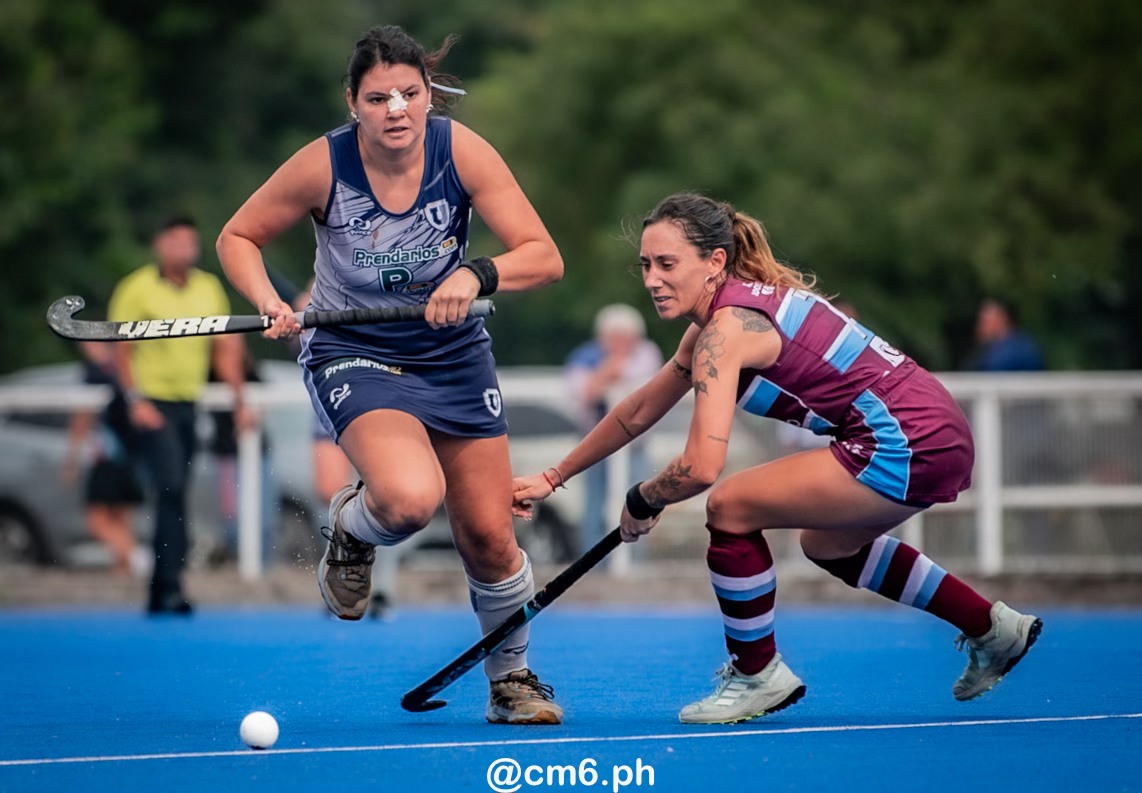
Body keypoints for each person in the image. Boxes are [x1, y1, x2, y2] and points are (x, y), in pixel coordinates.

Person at [513, 193, 1042, 724]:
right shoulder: (721, 319)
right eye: (646, 265)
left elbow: (700, 467)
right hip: (934, 429)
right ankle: (991, 628)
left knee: (730, 506)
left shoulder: (729, 328)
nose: (652, 279)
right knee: (829, 544)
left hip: (907, 438)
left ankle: (756, 672)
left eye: (668, 264)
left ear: (715, 261)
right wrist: (555, 476)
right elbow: (639, 409)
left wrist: (642, 498)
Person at [215, 26, 565, 724]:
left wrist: (476, 271)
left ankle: (512, 680)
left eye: (410, 93)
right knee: (408, 500)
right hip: (355, 348)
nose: (396, 109)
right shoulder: (324, 166)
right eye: (379, 98)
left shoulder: (460, 151)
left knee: (490, 535)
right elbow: (237, 236)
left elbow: (544, 256)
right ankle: (353, 526)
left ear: (429, 97)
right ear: (354, 104)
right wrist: (268, 301)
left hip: (453, 351)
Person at [109, 215, 253, 615]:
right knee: (170, 487)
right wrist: (135, 400)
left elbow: (224, 349)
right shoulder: (137, 288)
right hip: (152, 404)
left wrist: (240, 400)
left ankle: (162, 587)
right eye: (175, 242)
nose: (183, 250)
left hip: (190, 403)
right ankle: (170, 584)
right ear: (160, 245)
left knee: (176, 493)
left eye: (189, 243)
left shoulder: (207, 288)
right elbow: (119, 351)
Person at [564, 304, 662, 554]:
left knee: (640, 507)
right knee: (593, 507)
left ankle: (634, 565)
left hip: (634, 446)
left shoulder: (647, 353)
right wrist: (611, 367)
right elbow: (584, 392)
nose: (619, 342)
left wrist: (606, 373)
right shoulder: (584, 355)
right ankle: (593, 564)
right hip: (595, 448)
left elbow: (643, 381)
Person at [62, 341, 148, 577]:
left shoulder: (96, 372)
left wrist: (71, 458)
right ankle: (125, 571)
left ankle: (137, 558)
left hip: (109, 456)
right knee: (121, 518)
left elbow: (83, 416)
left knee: (97, 520)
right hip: (133, 455)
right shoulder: (130, 367)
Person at [968, 298, 1046, 372]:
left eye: (985, 321)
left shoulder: (1004, 356)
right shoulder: (1026, 344)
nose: (980, 326)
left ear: (1002, 320)